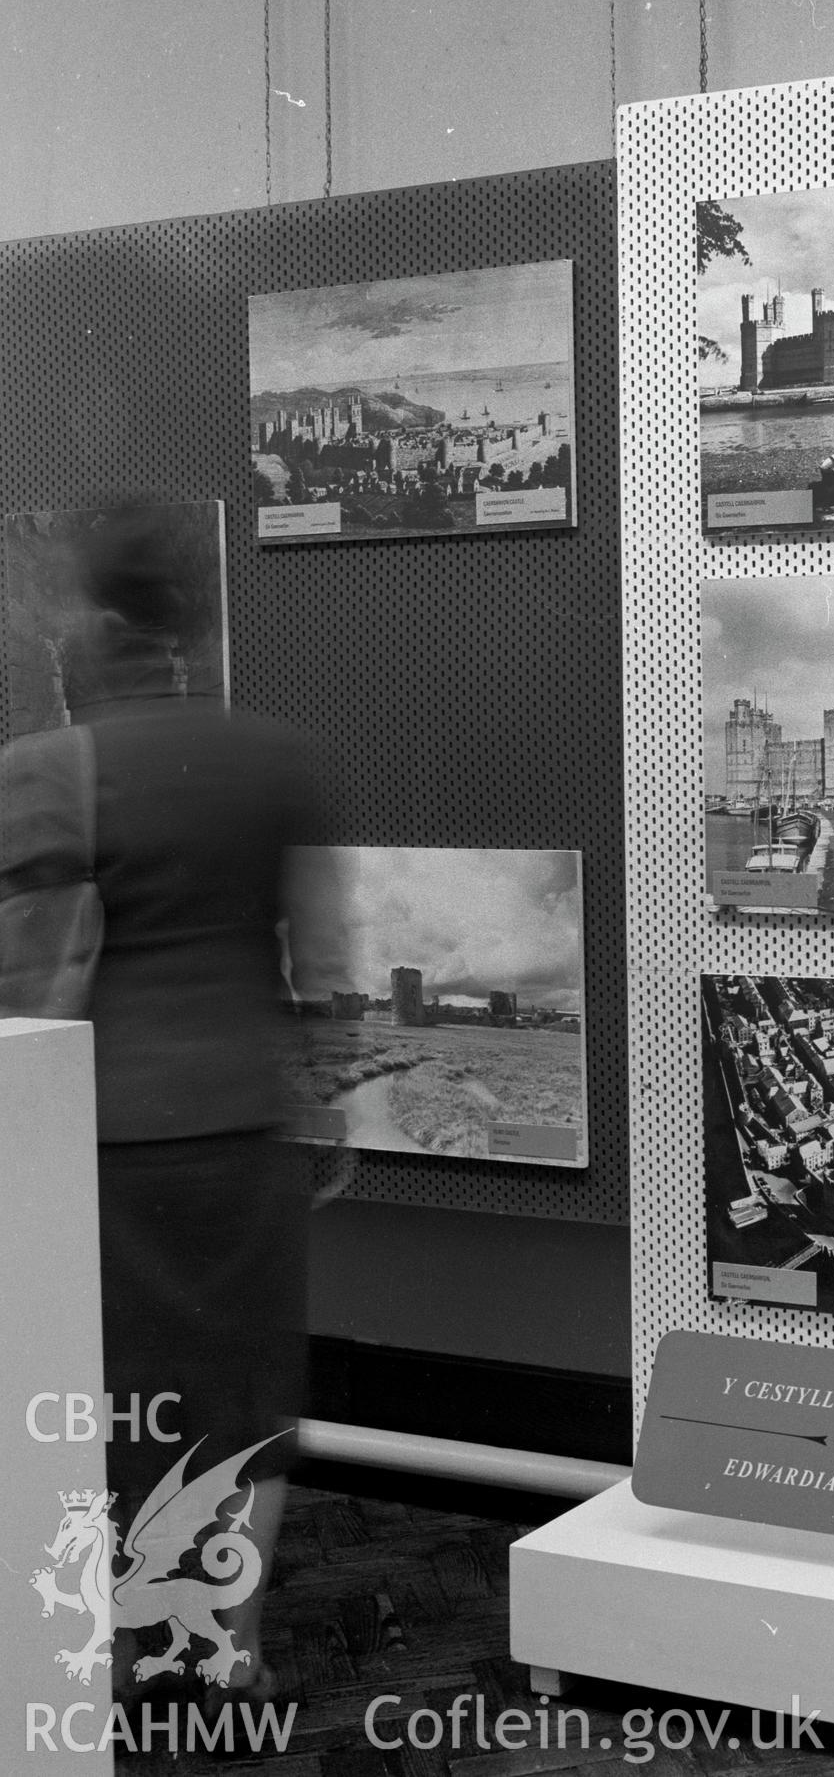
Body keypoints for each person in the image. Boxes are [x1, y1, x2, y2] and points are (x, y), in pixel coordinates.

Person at [0, 502, 327, 1713]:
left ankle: (118, 1655)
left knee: (103, 1401)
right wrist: (323, 1120)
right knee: (244, 1399)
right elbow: (319, 961)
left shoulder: (43, 771)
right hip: (244, 1123)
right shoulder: (276, 758)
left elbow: (17, 973)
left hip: (95, 1139)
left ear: (91, 625)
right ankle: (232, 1653)